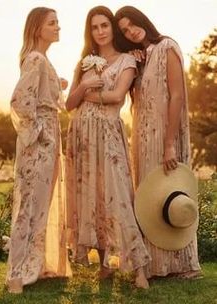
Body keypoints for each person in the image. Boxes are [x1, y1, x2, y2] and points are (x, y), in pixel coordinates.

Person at [65, 6, 151, 289]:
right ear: (89, 32)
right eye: (94, 27)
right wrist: (83, 87)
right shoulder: (84, 62)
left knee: (119, 196)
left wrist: (87, 92)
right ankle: (104, 264)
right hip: (82, 135)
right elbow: (68, 105)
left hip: (109, 134)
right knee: (92, 197)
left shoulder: (128, 60)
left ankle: (139, 267)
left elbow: (116, 97)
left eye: (104, 25)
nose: (100, 31)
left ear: (112, 28)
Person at [115, 6, 201, 279]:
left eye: (132, 25)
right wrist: (132, 60)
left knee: (170, 194)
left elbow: (177, 96)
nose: (131, 31)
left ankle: (183, 265)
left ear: (142, 20)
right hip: (142, 139)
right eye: (125, 31)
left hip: (166, 136)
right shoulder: (140, 58)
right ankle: (155, 265)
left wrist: (169, 144)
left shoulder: (167, 46)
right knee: (150, 200)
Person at [6, 7, 71, 293]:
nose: (58, 27)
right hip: (39, 142)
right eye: (52, 23)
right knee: (28, 207)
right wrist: (38, 133)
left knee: (41, 205)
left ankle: (35, 265)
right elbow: (21, 100)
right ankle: (15, 276)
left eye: (58, 22)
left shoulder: (43, 60)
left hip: (50, 139)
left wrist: (57, 84)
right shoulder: (35, 58)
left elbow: (42, 93)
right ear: (37, 28)